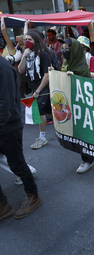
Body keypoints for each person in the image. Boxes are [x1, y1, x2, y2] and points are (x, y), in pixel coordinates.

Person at [0, 55, 42, 220]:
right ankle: (2, 205)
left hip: (9, 126)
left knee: (16, 164)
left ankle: (33, 196)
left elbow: (6, 105)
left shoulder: (3, 69)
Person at [59, 37, 94, 174]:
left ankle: (88, 159)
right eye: (63, 48)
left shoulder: (81, 67)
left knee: (84, 133)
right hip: (70, 105)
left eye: (68, 49)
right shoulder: (66, 63)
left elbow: (86, 88)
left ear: (74, 50)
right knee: (77, 133)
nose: (65, 51)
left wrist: (74, 79)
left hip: (82, 107)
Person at [18, 29, 52, 150]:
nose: (27, 42)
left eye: (30, 40)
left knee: (40, 112)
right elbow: (21, 70)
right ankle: (66, 126)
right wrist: (24, 56)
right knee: (49, 111)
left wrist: (38, 91)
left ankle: (42, 138)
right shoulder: (28, 53)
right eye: (26, 39)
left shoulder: (43, 54)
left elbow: (47, 75)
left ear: (36, 41)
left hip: (44, 86)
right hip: (34, 87)